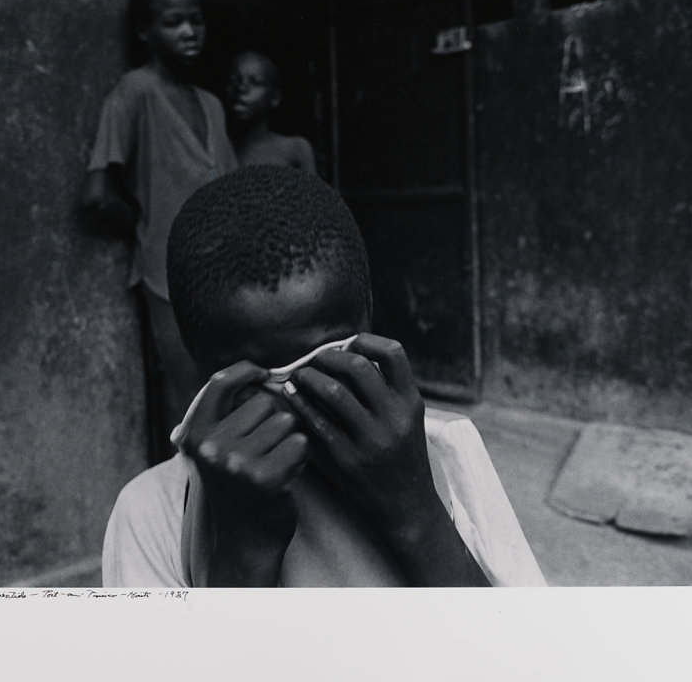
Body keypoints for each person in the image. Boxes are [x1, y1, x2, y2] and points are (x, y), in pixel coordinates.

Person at [102, 165, 546, 587]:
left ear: (368, 317)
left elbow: (519, 656)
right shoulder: (155, 511)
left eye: (324, 358)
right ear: (198, 360)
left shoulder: (446, 451)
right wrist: (244, 551)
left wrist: (412, 509)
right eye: (258, 379)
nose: (295, 396)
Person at [82, 0, 238, 456]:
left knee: (231, 389)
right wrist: (152, 224)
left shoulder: (211, 104)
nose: (190, 32)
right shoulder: (135, 92)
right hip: (167, 274)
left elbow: (231, 187)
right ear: (146, 31)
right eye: (174, 22)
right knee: (186, 400)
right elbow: (96, 193)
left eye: (196, 20)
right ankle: (185, 511)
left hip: (227, 271)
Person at [224, 51, 316, 172]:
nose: (241, 88)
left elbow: (313, 190)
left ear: (275, 98)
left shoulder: (295, 148)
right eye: (234, 80)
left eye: (255, 82)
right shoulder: (217, 147)